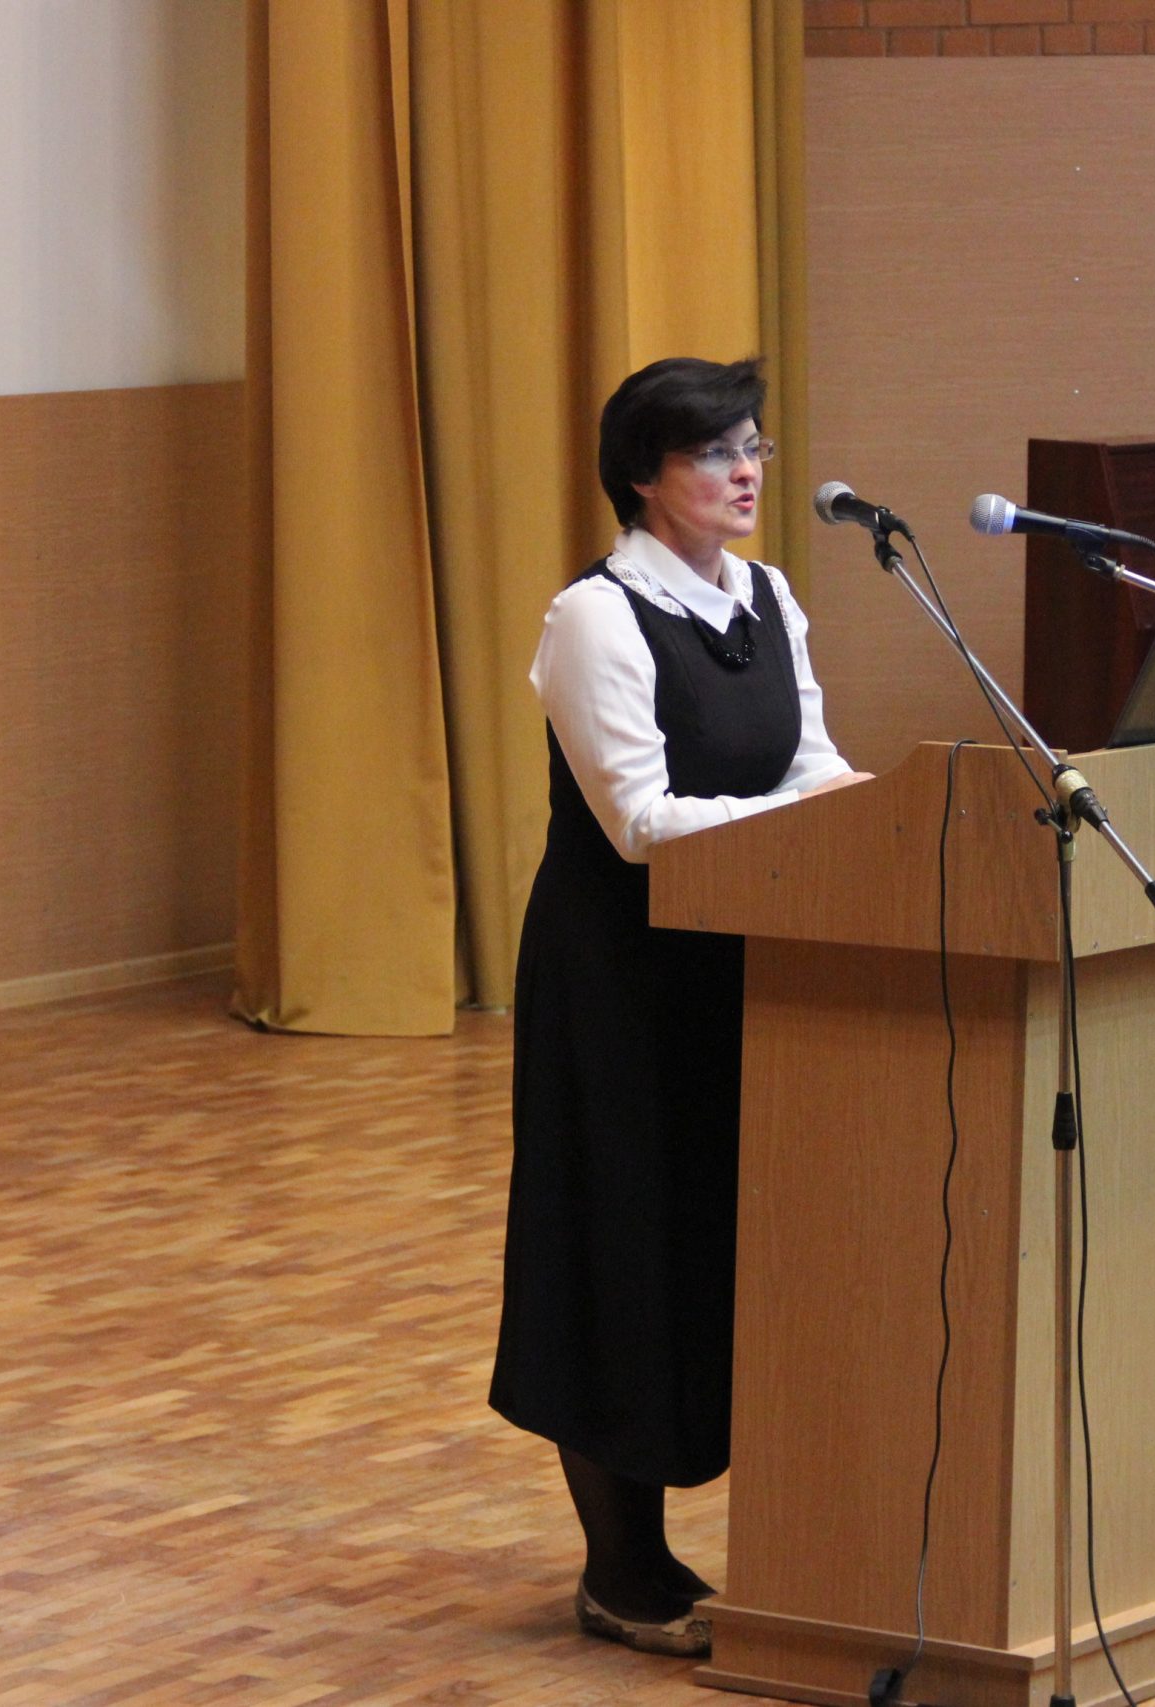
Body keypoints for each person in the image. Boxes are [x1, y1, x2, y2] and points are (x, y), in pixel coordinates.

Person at [488, 356, 865, 1658]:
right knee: (622, 1248)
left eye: (754, 445)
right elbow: (641, 823)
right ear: (644, 476)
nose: (746, 470)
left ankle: (724, 1539)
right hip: (620, 984)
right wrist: (799, 821)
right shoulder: (592, 618)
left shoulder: (768, 595)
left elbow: (813, 764)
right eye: (714, 451)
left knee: (717, 1242)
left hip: (749, 966)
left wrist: (896, 812)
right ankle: (623, 1570)